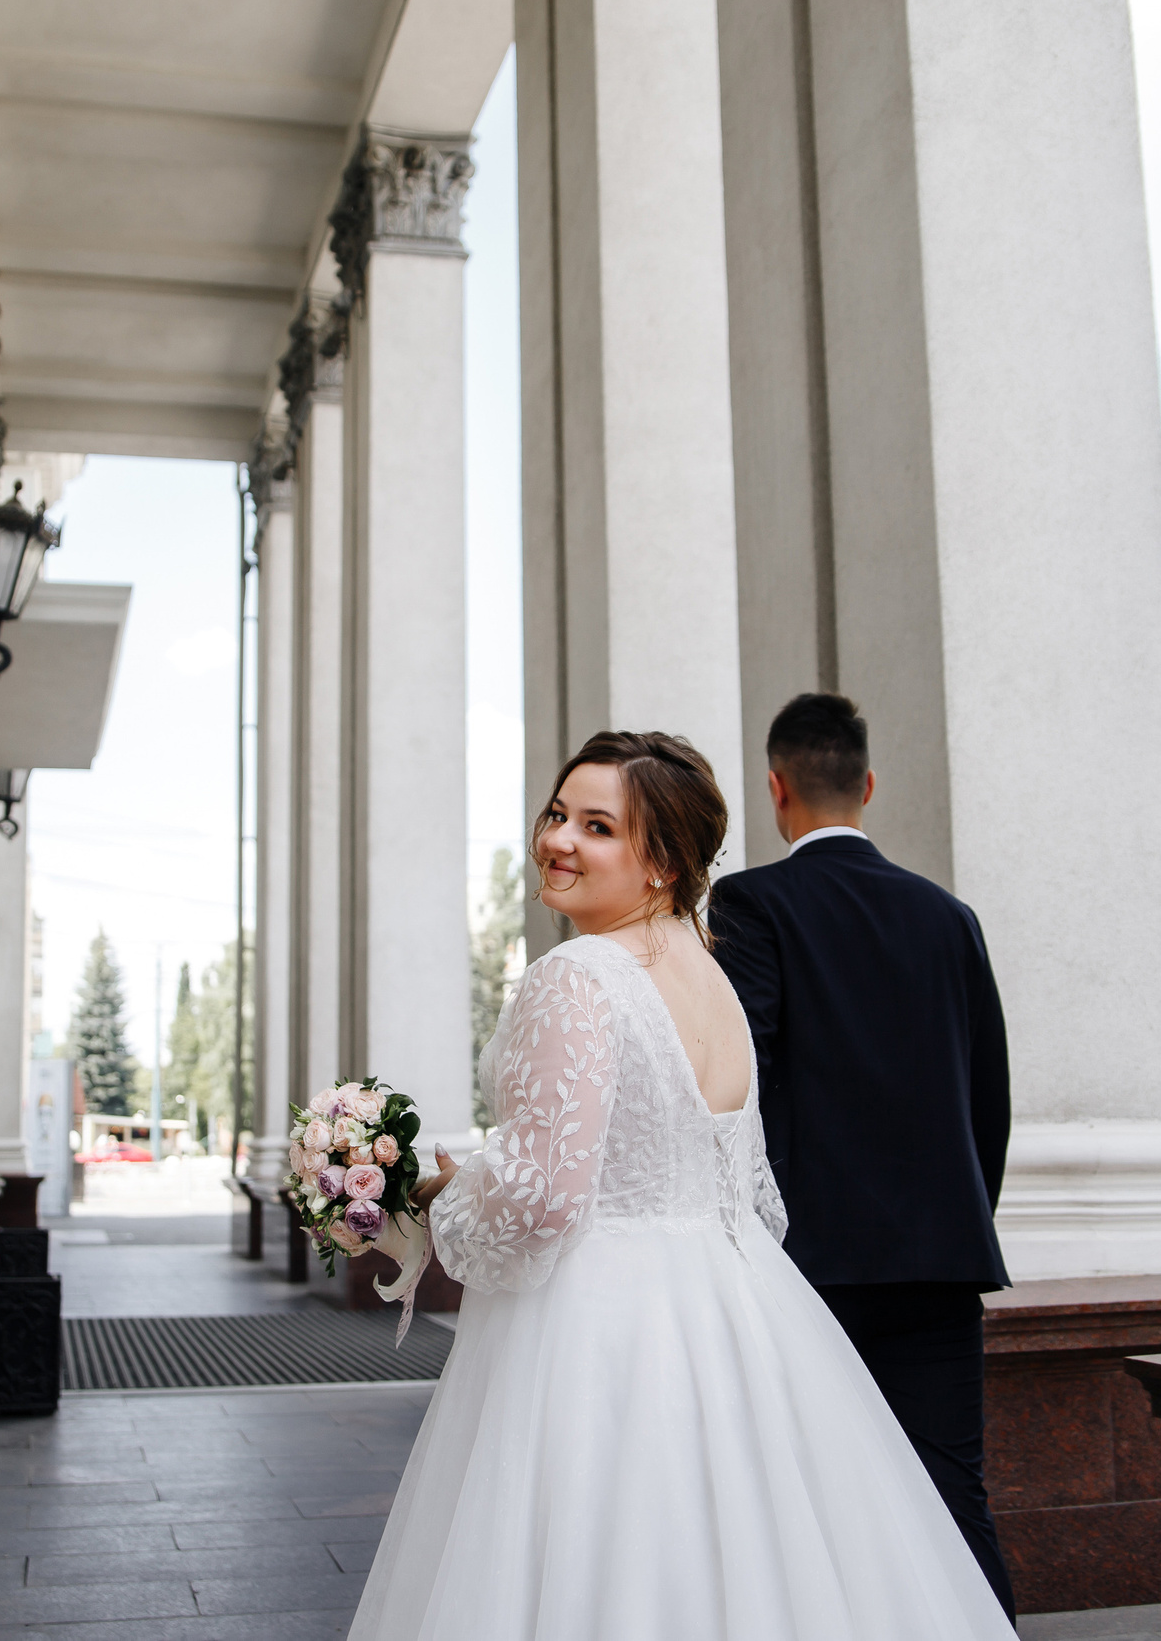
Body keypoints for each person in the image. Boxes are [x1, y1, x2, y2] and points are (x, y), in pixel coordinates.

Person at [347, 732, 1014, 1641]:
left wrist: (439, 1196)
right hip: (740, 1306)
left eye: (597, 826)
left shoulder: (576, 973)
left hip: (599, 1326)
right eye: (556, 814)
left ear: (660, 860)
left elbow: (547, 1196)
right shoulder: (712, 979)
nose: (559, 840)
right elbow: (737, 1180)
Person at [706, 693, 1017, 1620]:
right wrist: (959, 1219)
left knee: (814, 1499)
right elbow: (987, 1100)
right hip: (940, 1261)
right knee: (954, 1496)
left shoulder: (752, 902)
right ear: (868, 783)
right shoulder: (948, 915)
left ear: (776, 789)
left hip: (812, 1264)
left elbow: (742, 1076)